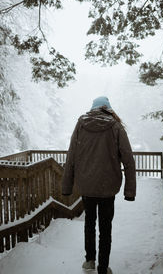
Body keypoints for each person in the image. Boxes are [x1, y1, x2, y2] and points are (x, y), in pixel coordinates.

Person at [62, 96, 136, 274]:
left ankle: (89, 261)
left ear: (93, 109)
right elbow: (128, 159)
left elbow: (71, 156)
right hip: (108, 187)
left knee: (89, 223)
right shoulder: (115, 127)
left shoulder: (81, 124)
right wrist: (129, 191)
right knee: (105, 228)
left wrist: (67, 186)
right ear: (108, 109)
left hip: (87, 186)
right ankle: (103, 267)